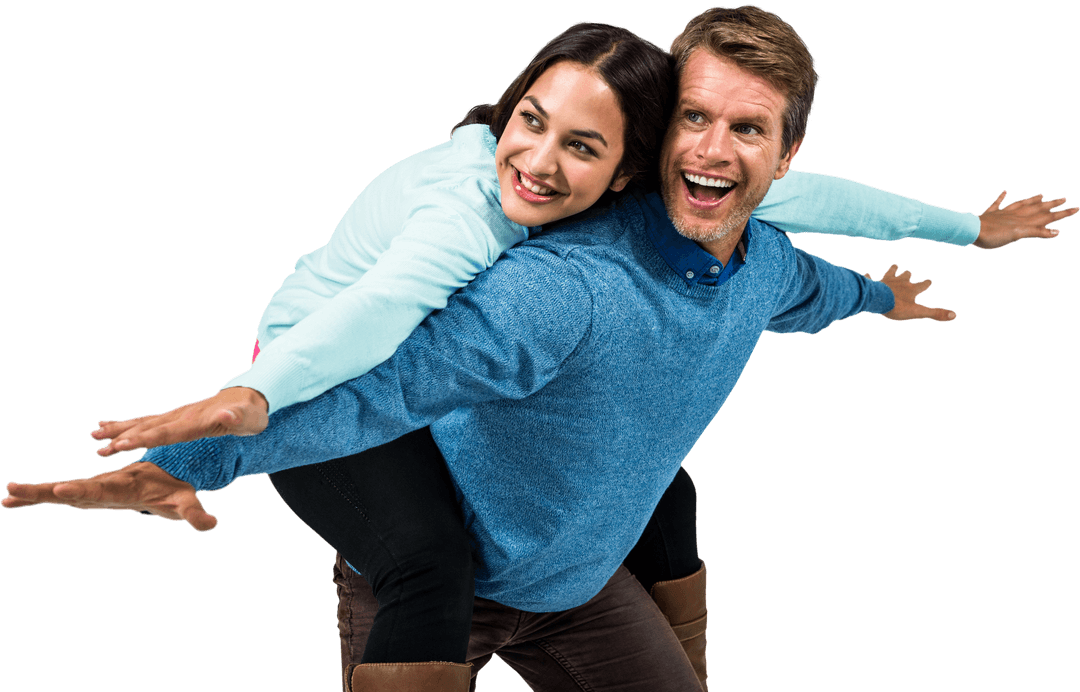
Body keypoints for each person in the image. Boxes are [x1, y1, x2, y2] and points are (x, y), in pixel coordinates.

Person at [4, 6, 1075, 692]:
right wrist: (192, 454)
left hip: (575, 584)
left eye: (747, 131)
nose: (712, 147)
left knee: (671, 493)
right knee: (426, 548)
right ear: (658, 145)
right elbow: (387, 378)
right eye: (693, 119)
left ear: (784, 155)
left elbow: (817, 284)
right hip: (428, 575)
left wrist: (895, 292)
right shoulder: (550, 283)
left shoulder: (768, 261)